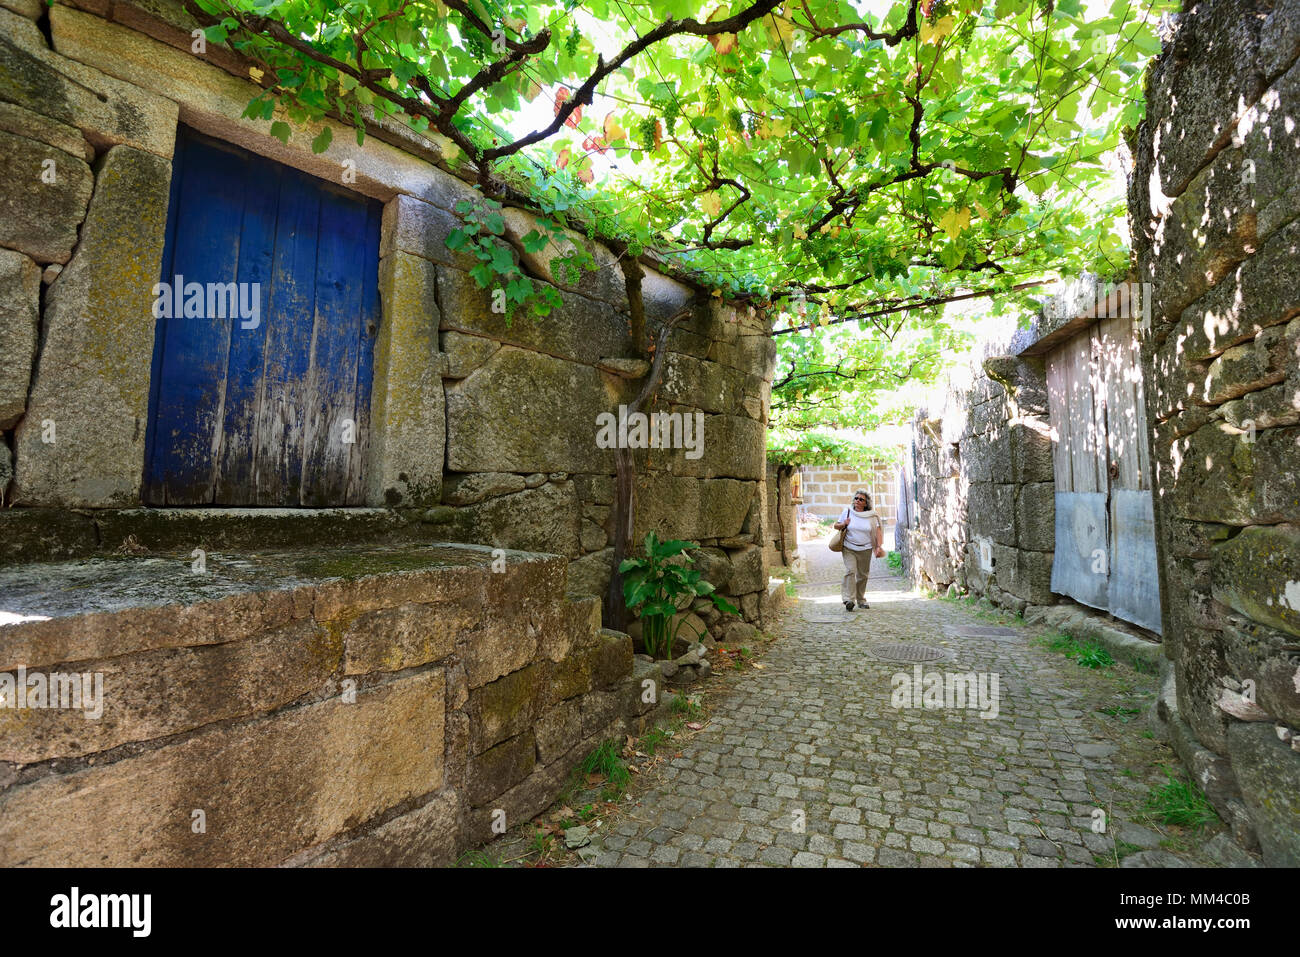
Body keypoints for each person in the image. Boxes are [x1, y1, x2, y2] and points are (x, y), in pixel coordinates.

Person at [833, 489, 885, 611]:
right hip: (849, 547)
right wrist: (843, 524)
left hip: (865, 549)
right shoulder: (847, 512)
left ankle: (860, 599)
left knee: (862, 575)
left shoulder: (872, 516)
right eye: (856, 498)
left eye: (861, 499)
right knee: (850, 571)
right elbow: (836, 525)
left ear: (866, 503)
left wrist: (878, 546)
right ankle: (848, 599)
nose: (857, 501)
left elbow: (878, 532)